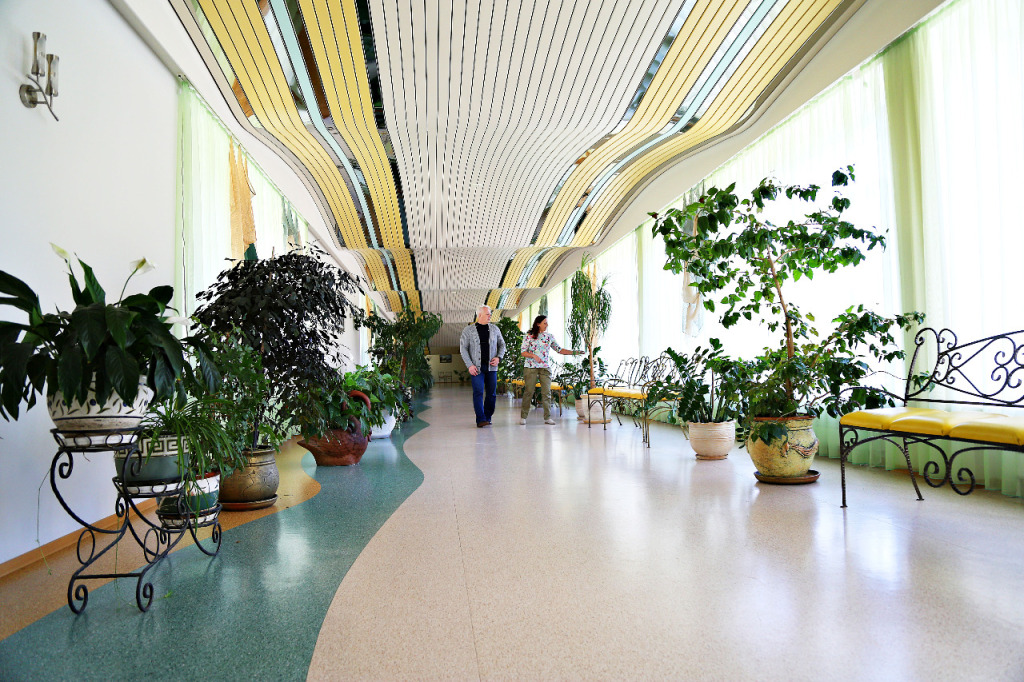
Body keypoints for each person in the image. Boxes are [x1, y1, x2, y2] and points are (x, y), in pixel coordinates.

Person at [519, 315, 582, 425]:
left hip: (545, 368)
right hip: (530, 367)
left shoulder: (549, 337)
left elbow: (559, 350)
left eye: (547, 323)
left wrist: (574, 352)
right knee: (529, 392)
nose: (547, 325)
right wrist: (533, 356)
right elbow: (523, 352)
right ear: (538, 324)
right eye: (545, 323)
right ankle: (523, 417)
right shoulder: (529, 336)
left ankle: (547, 418)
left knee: (546, 393)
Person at [459, 305, 506, 427]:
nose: (490, 316)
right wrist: (469, 365)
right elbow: (463, 349)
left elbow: (502, 345)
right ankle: (480, 419)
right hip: (476, 368)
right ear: (479, 315)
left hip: (492, 368)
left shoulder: (495, 329)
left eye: (490, 314)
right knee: (478, 392)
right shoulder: (468, 330)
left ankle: (487, 417)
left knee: (491, 393)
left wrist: (499, 357)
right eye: (487, 314)